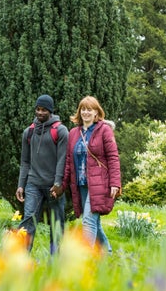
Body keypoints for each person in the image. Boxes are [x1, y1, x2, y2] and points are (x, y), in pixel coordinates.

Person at [56, 96, 121, 252]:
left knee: (88, 221)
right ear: (79, 112)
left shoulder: (104, 130)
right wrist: (62, 185)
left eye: (89, 109)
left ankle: (85, 260)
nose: (86, 112)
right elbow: (69, 162)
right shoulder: (73, 133)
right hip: (82, 184)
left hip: (100, 184)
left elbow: (113, 158)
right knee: (94, 222)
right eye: (83, 109)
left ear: (96, 113)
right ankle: (107, 253)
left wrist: (115, 183)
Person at [16, 94, 69, 253]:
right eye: (38, 109)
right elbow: (25, 161)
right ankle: (19, 259)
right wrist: (21, 185)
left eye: (44, 110)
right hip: (33, 184)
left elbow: (62, 160)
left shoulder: (60, 131)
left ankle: (55, 262)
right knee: (28, 221)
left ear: (50, 111)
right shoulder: (29, 132)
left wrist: (58, 184)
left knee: (56, 223)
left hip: (53, 185)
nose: (40, 113)